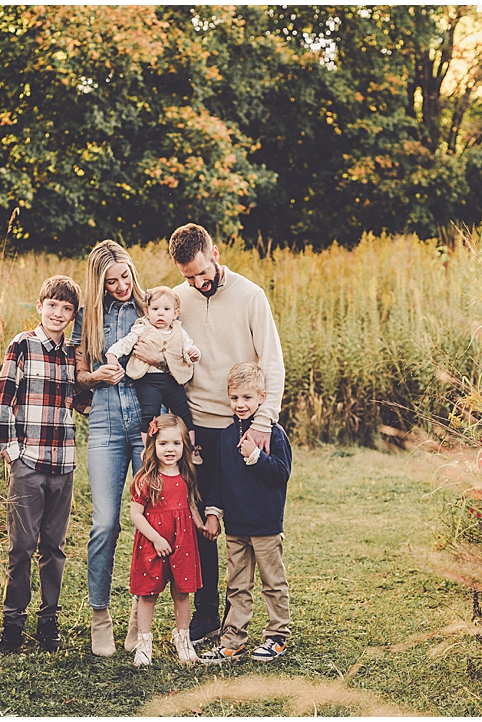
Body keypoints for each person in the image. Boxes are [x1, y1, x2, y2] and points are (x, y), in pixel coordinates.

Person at [135, 223, 285, 644]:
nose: (197, 283)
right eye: (188, 277)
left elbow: (272, 362)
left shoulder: (251, 296)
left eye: (203, 272)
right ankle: (203, 615)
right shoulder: (176, 301)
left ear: (215, 254)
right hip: (197, 427)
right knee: (197, 522)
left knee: (239, 522)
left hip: (241, 425)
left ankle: (246, 615)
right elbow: (169, 359)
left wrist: (263, 421)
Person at [71, 239, 161, 657]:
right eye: (112, 281)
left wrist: (156, 360)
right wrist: (97, 378)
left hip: (146, 426)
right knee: (106, 523)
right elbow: (79, 374)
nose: (122, 285)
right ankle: (99, 615)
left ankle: (137, 616)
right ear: (99, 282)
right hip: (106, 424)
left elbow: (176, 361)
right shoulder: (89, 316)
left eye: (125, 276)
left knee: (151, 521)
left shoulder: (153, 307)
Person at [0, 275, 82, 654]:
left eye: (67, 308)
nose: (58, 313)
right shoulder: (23, 345)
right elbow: (2, 403)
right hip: (28, 462)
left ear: (74, 315)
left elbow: (79, 402)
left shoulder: (74, 353)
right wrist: (13, 455)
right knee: (22, 546)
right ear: (40, 306)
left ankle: (49, 623)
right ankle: (13, 624)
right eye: (52, 305)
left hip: (63, 461)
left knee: (54, 548)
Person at [200, 362, 293, 663]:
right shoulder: (226, 437)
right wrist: (214, 512)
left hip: (265, 523)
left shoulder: (274, 434)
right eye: (235, 398)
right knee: (237, 584)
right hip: (236, 525)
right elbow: (218, 479)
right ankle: (233, 639)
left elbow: (281, 474)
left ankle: (277, 635)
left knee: (272, 582)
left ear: (262, 397)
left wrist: (255, 456)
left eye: (247, 398)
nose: (241, 404)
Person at [127, 414, 205, 666]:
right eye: (163, 444)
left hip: (183, 541)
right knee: (147, 595)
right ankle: (144, 645)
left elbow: (189, 504)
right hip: (153, 542)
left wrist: (200, 524)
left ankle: (183, 640)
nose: (170, 449)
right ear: (153, 445)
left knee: (182, 593)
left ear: (184, 445)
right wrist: (157, 539)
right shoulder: (146, 478)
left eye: (176, 443)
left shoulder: (187, 474)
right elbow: (136, 514)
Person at [105, 286, 202, 463]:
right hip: (148, 380)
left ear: (175, 313)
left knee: (183, 412)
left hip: (173, 379)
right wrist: (112, 354)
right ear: (146, 311)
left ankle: (192, 450)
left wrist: (194, 354)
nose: (160, 314)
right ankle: (148, 449)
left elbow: (189, 348)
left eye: (166, 309)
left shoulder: (180, 331)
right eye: (155, 309)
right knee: (150, 413)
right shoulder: (142, 328)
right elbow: (126, 343)